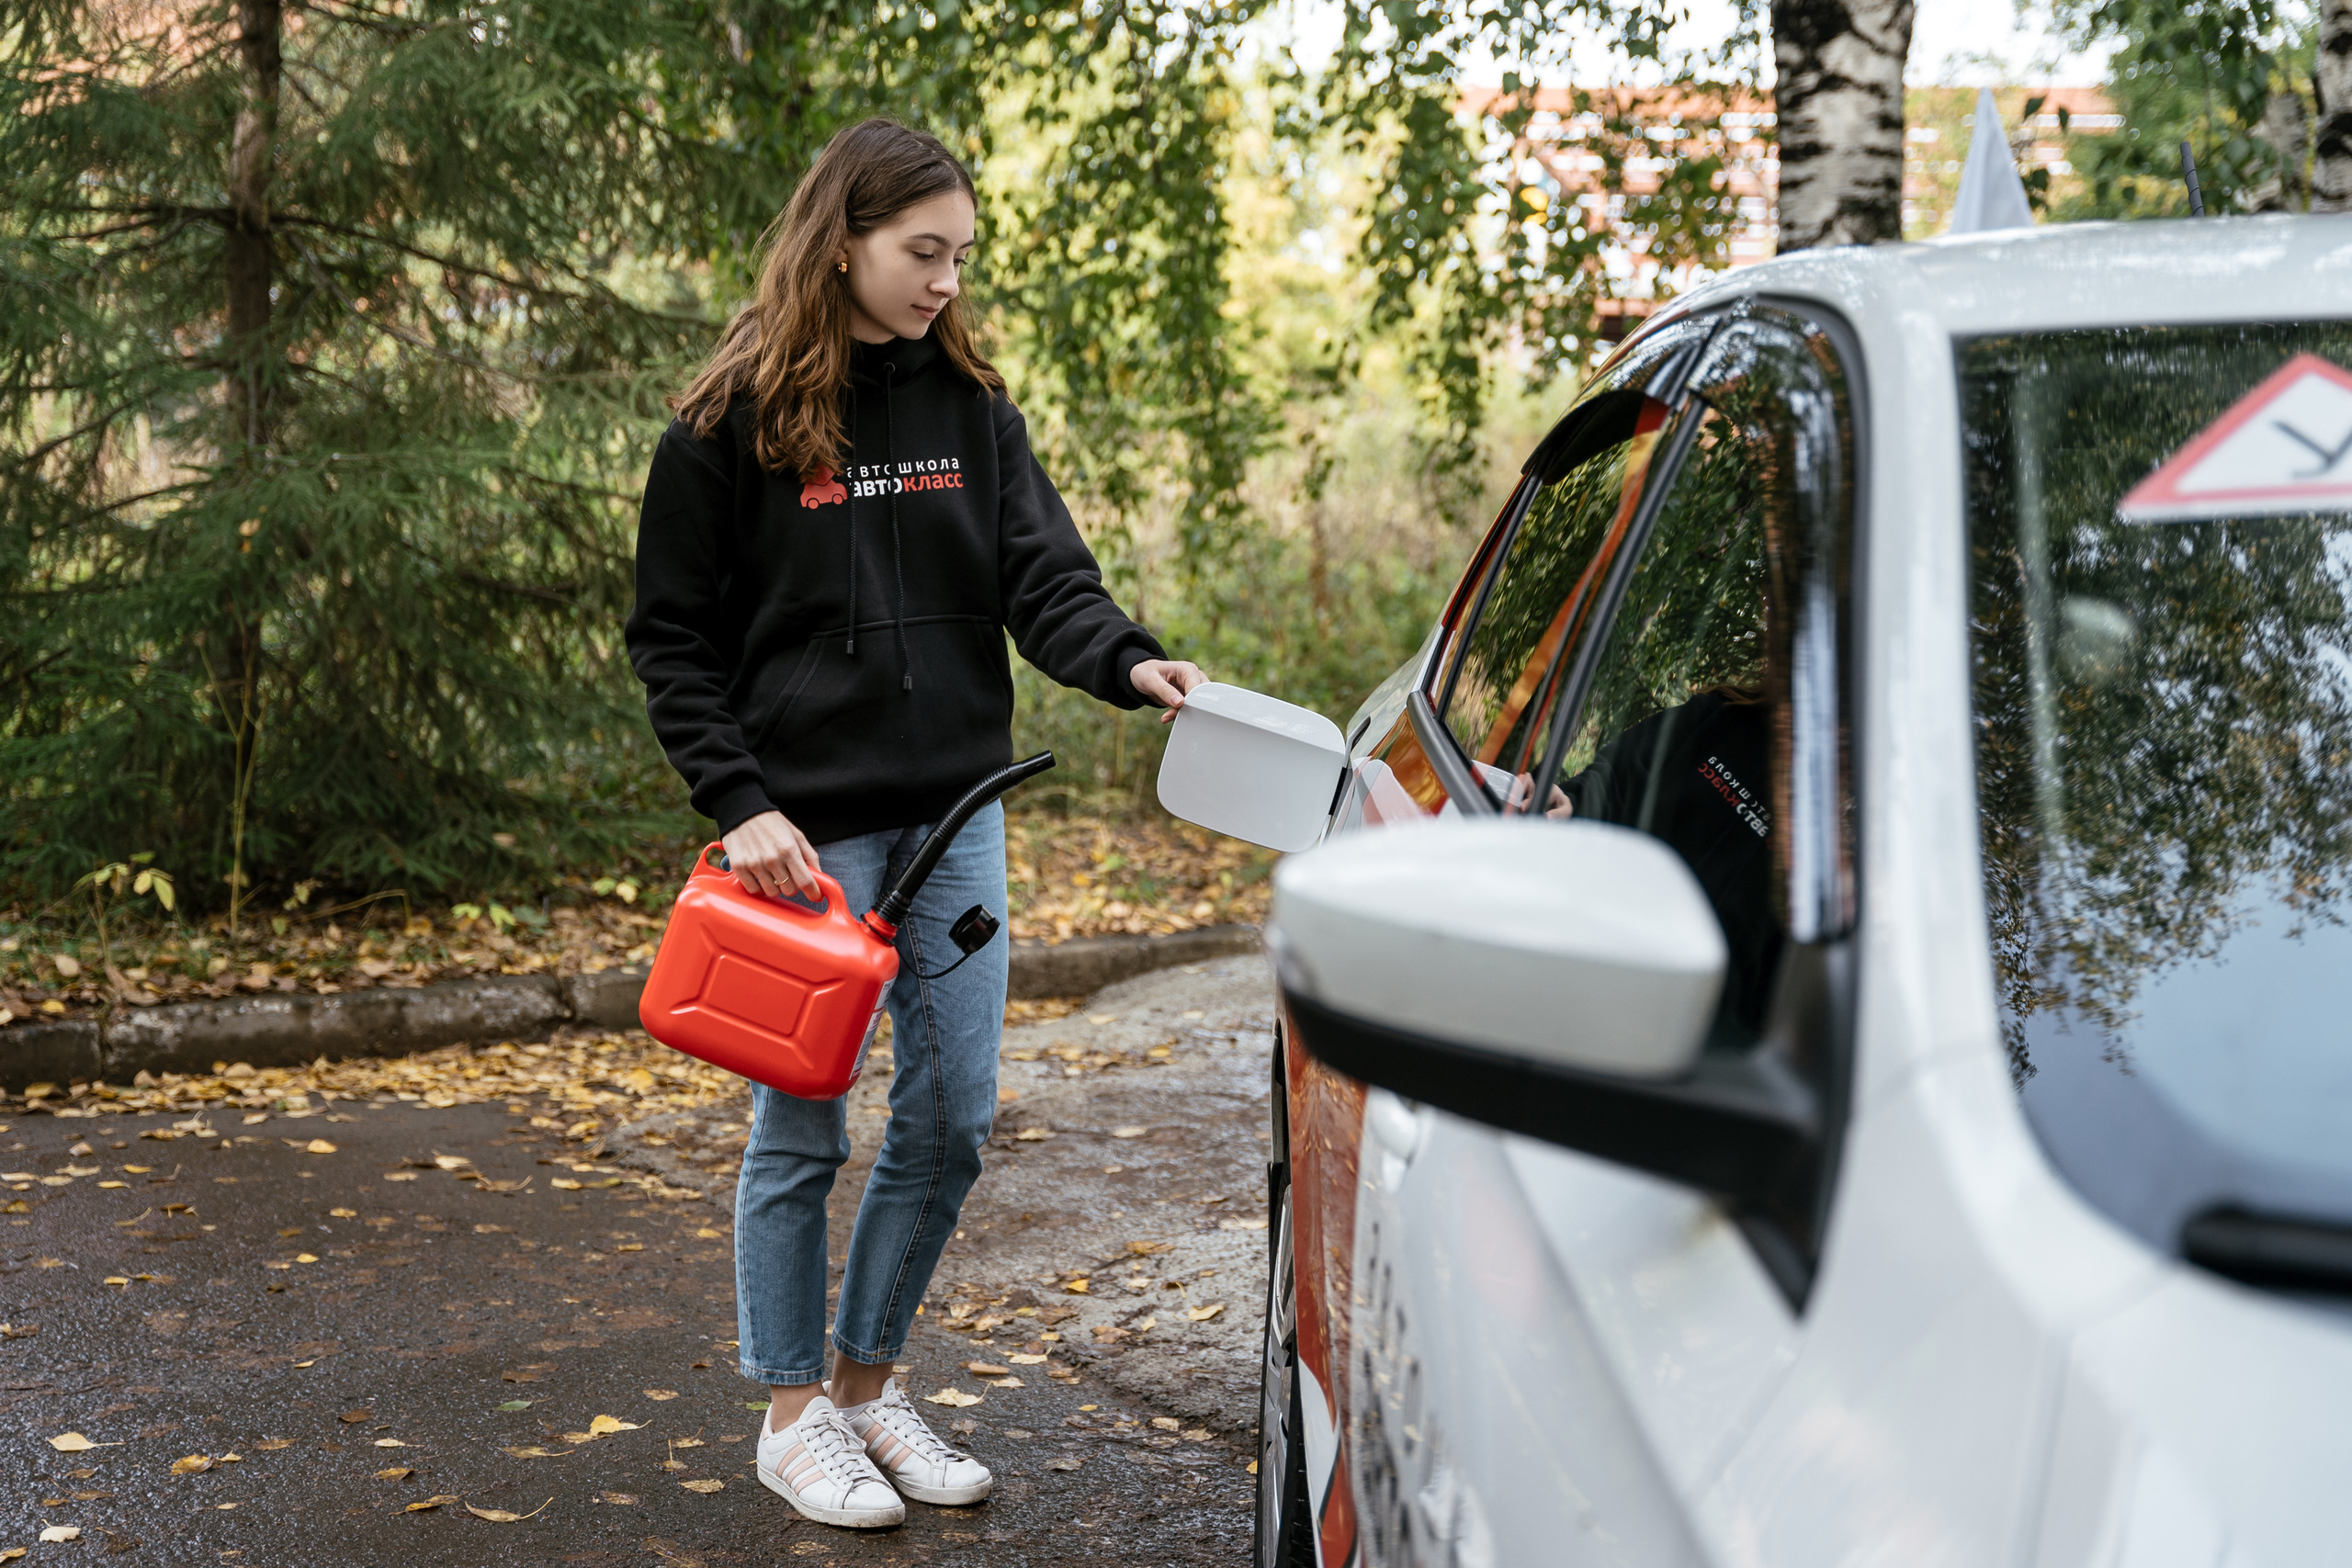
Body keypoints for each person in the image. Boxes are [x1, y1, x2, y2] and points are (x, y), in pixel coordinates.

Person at [625, 118, 1205, 1530]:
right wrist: (743, 801)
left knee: (949, 1120)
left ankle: (870, 1393)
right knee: (802, 1133)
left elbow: (1043, 580)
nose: (946, 280)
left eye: (959, 256)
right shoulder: (726, 427)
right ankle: (789, 1419)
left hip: (955, 827)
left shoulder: (971, 414)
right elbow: (672, 643)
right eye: (921, 252)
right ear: (844, 241)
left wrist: (1130, 661)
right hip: (802, 851)